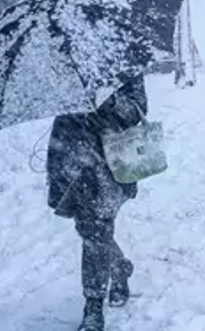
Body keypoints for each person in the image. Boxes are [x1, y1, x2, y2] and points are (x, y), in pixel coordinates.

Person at [47, 75, 148, 331]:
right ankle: (119, 267)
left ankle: (93, 306)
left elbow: (136, 110)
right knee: (89, 230)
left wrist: (106, 100)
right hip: (72, 159)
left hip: (110, 163)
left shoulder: (119, 61)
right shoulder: (63, 62)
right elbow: (55, 106)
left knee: (97, 233)